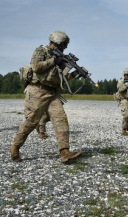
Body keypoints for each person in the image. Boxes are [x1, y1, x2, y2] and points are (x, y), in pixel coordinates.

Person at [10, 31, 82, 163]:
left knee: (61, 119)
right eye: (64, 44)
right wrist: (54, 60)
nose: (65, 47)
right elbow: (36, 67)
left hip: (52, 93)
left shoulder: (61, 58)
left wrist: (75, 73)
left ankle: (64, 152)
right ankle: (15, 147)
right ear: (57, 42)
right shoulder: (41, 51)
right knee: (31, 122)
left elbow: (61, 79)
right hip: (37, 91)